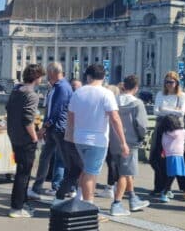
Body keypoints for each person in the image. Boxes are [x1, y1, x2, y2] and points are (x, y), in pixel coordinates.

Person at [67, 63, 129, 204]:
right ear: (103, 77)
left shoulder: (78, 92)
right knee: (91, 173)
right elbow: (115, 118)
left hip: (79, 138)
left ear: (88, 77)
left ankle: (79, 198)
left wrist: (74, 131)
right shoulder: (106, 94)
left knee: (85, 169)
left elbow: (70, 116)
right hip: (97, 140)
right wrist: (123, 142)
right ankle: (88, 205)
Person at [107, 75, 150, 216]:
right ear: (136, 88)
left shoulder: (114, 101)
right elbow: (142, 125)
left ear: (123, 86)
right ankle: (117, 204)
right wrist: (141, 136)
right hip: (129, 142)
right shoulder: (137, 104)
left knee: (125, 171)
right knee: (125, 174)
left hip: (114, 141)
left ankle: (133, 198)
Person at [6, 64, 45, 218]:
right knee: (24, 173)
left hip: (14, 136)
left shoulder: (16, 91)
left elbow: (8, 109)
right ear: (37, 77)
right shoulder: (32, 95)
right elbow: (28, 120)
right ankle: (17, 207)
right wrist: (35, 137)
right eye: (41, 77)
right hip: (25, 139)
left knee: (21, 171)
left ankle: (22, 202)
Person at [31, 62, 67, 199]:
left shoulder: (62, 88)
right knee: (46, 157)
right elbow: (51, 109)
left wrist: (44, 127)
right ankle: (38, 187)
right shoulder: (56, 87)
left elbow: (57, 110)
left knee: (59, 159)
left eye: (48, 72)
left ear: (53, 72)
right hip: (54, 128)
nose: (46, 75)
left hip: (58, 128)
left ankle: (61, 188)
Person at [151, 71, 185, 197]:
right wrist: (173, 111)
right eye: (166, 82)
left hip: (176, 130)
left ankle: (182, 187)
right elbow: (156, 111)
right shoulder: (160, 94)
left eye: (171, 82)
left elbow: (181, 112)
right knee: (158, 157)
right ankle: (159, 187)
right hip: (161, 128)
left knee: (178, 156)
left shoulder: (182, 96)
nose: (168, 84)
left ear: (177, 83)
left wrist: (164, 110)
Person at [158, 115, 185, 203]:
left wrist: (165, 151)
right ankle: (165, 192)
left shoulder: (165, 133)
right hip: (178, 155)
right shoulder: (182, 131)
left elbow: (163, 143)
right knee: (172, 175)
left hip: (169, 155)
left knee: (171, 174)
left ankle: (168, 191)